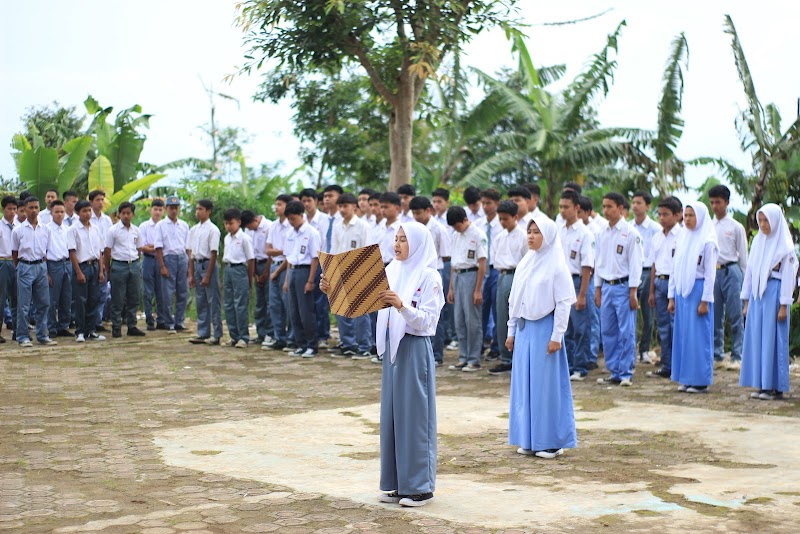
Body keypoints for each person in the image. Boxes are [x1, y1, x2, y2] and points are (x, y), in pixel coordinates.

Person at [352, 221, 442, 507]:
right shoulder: (390, 270)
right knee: (392, 415)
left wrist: (402, 306)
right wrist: (333, 289)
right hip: (392, 347)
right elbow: (360, 301)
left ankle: (419, 487)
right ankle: (395, 482)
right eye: (396, 238)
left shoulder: (430, 278)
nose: (398, 244)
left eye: (404, 239)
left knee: (415, 416)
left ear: (417, 243)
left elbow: (429, 322)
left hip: (414, 348)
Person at [507, 214, 577, 459]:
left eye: (537, 232)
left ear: (547, 236)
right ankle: (528, 438)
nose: (531, 236)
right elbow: (515, 298)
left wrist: (557, 335)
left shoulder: (556, 264)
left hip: (545, 330)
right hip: (525, 331)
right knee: (525, 387)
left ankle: (550, 442)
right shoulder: (526, 262)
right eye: (529, 231)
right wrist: (511, 330)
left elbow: (564, 302)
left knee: (545, 388)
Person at [740, 204, 797, 400]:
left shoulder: (785, 247)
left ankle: (775, 386)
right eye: (760, 220)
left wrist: (784, 305)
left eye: (766, 220)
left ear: (775, 221)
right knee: (758, 338)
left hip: (775, 293)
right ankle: (762, 383)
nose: (763, 225)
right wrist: (746, 300)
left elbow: (789, 277)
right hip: (758, 294)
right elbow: (750, 271)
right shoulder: (758, 241)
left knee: (774, 339)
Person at [594, 192, 643, 387]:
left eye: (609, 206)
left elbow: (635, 264)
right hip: (606, 286)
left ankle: (625, 372)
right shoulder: (601, 233)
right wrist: (598, 289)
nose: (605, 210)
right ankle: (613, 370)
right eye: (604, 206)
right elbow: (599, 262)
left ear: (621, 209)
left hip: (623, 287)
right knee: (608, 330)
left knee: (626, 331)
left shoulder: (631, 234)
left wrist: (633, 291)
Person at [669, 201, 719, 394]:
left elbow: (710, 274)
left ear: (700, 216)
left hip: (698, 291)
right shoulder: (682, 237)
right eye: (685, 215)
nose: (687, 219)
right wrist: (672, 296)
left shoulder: (708, 241)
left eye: (691, 215)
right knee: (684, 336)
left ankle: (700, 380)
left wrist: (705, 300)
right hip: (683, 292)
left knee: (698, 337)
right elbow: (675, 268)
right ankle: (686, 378)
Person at [558, 190, 596, 381]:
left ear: (577, 208)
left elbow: (587, 266)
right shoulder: (560, 231)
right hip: (562, 282)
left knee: (581, 327)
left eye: (566, 207)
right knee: (566, 327)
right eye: (561, 207)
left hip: (578, 281)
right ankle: (569, 364)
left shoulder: (585, 234)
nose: (563, 211)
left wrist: (582, 295)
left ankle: (581, 366)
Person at [709, 185, 748, 370]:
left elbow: (744, 258)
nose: (715, 206)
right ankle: (717, 354)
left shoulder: (735, 227)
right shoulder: (709, 226)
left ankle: (737, 355)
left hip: (731, 271)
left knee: (735, 314)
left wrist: (744, 281)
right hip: (713, 272)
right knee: (715, 315)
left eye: (718, 202)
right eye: (712, 202)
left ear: (727, 203)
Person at [330, 193, 373, 359]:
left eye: (345, 206)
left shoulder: (363, 226)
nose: (342, 210)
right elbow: (334, 249)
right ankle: (348, 344)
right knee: (341, 311)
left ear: (354, 207)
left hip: (358, 272)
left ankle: (364, 346)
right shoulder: (337, 225)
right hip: (340, 271)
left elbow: (368, 251)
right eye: (340, 206)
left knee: (361, 312)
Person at [410, 195, 450, 366]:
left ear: (428, 211)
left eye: (419, 213)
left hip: (435, 272)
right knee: (418, 312)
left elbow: (446, 255)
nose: (417, 217)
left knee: (435, 314)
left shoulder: (439, 229)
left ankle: (436, 354)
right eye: (414, 214)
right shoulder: (414, 229)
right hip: (417, 274)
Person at [488, 200, 527, 375]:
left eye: (506, 219)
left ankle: (519, 356)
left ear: (515, 217)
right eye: (500, 219)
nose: (503, 222)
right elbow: (495, 259)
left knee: (517, 316)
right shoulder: (499, 238)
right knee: (501, 316)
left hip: (517, 275)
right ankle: (505, 358)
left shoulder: (524, 237)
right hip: (501, 275)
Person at [447, 206, 487, 372]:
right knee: (459, 319)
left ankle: (474, 358)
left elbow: (482, 263)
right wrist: (450, 288)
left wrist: (478, 290)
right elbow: (453, 263)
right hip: (457, 275)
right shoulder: (456, 235)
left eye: (457, 225)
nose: (456, 229)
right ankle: (463, 356)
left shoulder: (478, 234)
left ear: (464, 220)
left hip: (472, 275)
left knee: (472, 320)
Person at [12, 196, 55, 347]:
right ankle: (23, 336)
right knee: (24, 304)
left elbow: (47, 250)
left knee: (43, 303)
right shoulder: (18, 230)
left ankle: (43, 335)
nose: (34, 210)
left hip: (41, 266)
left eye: (36, 207)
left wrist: (46, 271)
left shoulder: (46, 229)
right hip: (25, 266)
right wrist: (20, 267)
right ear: (25, 209)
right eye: (31, 207)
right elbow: (15, 252)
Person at [646, 197, 682, 380]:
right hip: (659, 282)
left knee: (675, 325)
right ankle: (667, 364)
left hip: (674, 282)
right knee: (663, 327)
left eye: (666, 214)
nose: (661, 218)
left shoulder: (682, 235)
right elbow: (653, 264)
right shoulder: (657, 237)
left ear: (677, 215)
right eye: (659, 214)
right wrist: (651, 290)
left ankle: (678, 365)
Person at [283, 200, 321, 357]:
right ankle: (300, 344)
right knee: (294, 311)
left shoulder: (312, 232)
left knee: (306, 311)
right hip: (292, 271)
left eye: (293, 219)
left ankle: (312, 345)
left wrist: (311, 281)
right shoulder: (290, 233)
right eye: (289, 219)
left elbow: (315, 258)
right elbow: (289, 258)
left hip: (305, 272)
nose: (291, 222)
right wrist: (286, 280)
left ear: (301, 215)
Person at [105, 201, 145, 338]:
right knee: (118, 298)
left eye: (128, 213)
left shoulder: (136, 230)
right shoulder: (113, 230)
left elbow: (139, 249)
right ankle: (116, 326)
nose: (126, 216)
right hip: (118, 265)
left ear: (133, 214)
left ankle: (132, 325)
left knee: (133, 297)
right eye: (123, 213)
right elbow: (107, 250)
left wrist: (136, 263)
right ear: (119, 215)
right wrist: (108, 269)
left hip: (133, 264)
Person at [68, 200, 106, 342]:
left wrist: (101, 270)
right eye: (84, 211)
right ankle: (80, 331)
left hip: (95, 265)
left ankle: (91, 329)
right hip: (82, 265)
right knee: (80, 300)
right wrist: (78, 272)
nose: (88, 213)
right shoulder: (73, 229)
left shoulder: (96, 228)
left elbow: (100, 251)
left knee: (94, 299)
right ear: (78, 213)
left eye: (89, 210)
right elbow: (72, 252)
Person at [187, 199, 223, 345]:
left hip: (208, 264)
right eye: (197, 209)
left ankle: (217, 333)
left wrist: (208, 274)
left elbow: (214, 253)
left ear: (208, 211)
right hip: (196, 264)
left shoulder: (213, 230)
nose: (198, 212)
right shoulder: (193, 230)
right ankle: (203, 332)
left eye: (201, 209)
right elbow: (190, 253)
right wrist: (190, 273)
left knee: (213, 300)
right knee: (201, 300)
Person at [631, 190, 660, 364]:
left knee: (648, 314)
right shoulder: (628, 227)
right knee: (630, 312)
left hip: (649, 271)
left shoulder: (655, 228)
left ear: (647, 206)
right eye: (633, 202)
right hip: (632, 272)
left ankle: (644, 349)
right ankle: (631, 349)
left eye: (639, 203)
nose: (635, 206)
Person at [155, 195, 190, 334]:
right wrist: (162, 266)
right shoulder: (161, 225)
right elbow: (158, 247)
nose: (173, 211)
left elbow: (188, 246)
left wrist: (189, 261)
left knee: (182, 291)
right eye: (171, 208)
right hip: (168, 257)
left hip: (182, 257)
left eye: (176, 208)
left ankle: (179, 321)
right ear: (166, 209)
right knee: (167, 293)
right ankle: (168, 322)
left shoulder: (184, 225)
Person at [264, 194, 293, 351]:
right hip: (274, 266)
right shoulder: (273, 226)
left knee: (288, 304)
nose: (276, 207)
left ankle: (291, 338)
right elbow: (268, 250)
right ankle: (279, 337)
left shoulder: (292, 226)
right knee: (274, 305)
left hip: (286, 267)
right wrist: (281, 251)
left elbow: (290, 254)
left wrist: (280, 254)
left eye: (279, 204)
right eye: (275, 204)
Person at [221, 208, 255, 348]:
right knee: (228, 304)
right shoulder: (227, 238)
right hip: (228, 269)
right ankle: (233, 335)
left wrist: (249, 278)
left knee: (240, 305)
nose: (229, 226)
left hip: (239, 269)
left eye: (231, 223)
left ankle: (244, 337)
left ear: (239, 222)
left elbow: (251, 259)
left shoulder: (244, 238)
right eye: (226, 223)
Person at [476, 188, 503, 360]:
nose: (485, 207)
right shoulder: (478, 224)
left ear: (497, 204)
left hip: (496, 268)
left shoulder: (502, 224)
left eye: (489, 203)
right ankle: (478, 344)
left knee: (497, 309)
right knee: (480, 308)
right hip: (481, 269)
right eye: (483, 203)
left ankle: (496, 345)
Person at [242, 210, 273, 345]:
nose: (249, 230)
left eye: (250, 227)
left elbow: (271, 253)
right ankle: (261, 332)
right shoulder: (247, 231)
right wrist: (254, 273)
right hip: (255, 266)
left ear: (255, 221)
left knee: (270, 301)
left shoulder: (269, 227)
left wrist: (265, 273)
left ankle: (270, 333)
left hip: (267, 264)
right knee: (259, 302)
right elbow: (250, 254)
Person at [431, 188, 456, 351]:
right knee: (438, 301)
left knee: (449, 299)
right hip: (437, 262)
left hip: (450, 261)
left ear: (447, 202)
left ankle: (452, 334)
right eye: (434, 201)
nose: (436, 205)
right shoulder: (432, 220)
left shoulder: (452, 220)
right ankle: (444, 334)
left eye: (439, 201)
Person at [46, 200, 73, 338]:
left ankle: (63, 325)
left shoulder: (68, 229)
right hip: (53, 264)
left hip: (67, 264)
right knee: (52, 299)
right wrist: (46, 272)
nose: (59, 214)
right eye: (56, 212)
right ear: (51, 213)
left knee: (66, 297)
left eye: (62, 212)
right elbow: (42, 252)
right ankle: (51, 327)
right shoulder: (46, 229)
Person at [139, 199, 167, 331]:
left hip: (162, 261)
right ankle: (149, 319)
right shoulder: (144, 226)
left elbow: (166, 246)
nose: (157, 212)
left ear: (164, 211)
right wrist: (157, 247)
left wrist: (154, 246)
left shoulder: (165, 225)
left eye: (160, 209)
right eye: (155, 209)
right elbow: (142, 247)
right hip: (148, 260)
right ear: (151, 210)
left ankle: (161, 319)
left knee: (161, 291)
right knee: (147, 291)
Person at [88, 190, 113, 331]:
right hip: (90, 256)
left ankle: (98, 320)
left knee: (103, 292)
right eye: (97, 200)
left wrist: (106, 263)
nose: (100, 202)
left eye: (102, 199)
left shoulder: (107, 220)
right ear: (91, 202)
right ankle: (89, 321)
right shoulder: (85, 218)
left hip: (104, 255)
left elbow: (108, 243)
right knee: (90, 292)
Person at [0, 196, 17, 342]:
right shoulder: (0, 226)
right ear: (3, 209)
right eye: (9, 209)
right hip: (3, 262)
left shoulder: (19, 226)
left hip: (17, 262)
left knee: (18, 298)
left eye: (14, 209)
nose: (12, 212)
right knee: (1, 298)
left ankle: (18, 331)